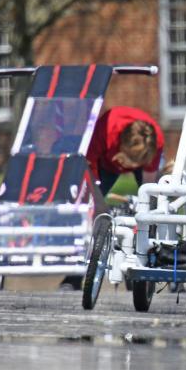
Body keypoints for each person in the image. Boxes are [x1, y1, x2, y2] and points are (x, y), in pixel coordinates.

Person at [60, 105, 164, 290]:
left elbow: (149, 190)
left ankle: (140, 266)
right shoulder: (104, 130)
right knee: (88, 210)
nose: (128, 169)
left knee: (152, 212)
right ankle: (75, 274)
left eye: (134, 164)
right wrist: (99, 204)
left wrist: (144, 218)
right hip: (102, 162)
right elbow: (87, 167)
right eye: (128, 162)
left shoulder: (155, 142)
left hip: (139, 156)